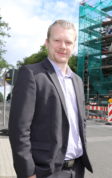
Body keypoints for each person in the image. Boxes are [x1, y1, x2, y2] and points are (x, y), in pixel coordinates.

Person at [8, 19, 93, 178]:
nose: (63, 46)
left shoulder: (78, 81)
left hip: (77, 168)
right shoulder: (31, 75)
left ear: (73, 46)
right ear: (47, 43)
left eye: (68, 42)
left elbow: (81, 122)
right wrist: (27, 172)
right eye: (57, 40)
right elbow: (19, 129)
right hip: (46, 171)